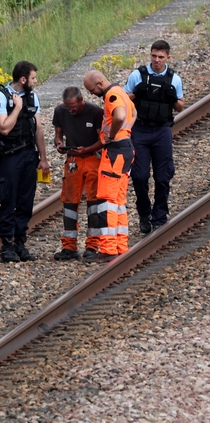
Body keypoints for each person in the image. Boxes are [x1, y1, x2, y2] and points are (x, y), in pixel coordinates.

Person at [0, 61, 50, 262]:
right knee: (8, 199)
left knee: (25, 201)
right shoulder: (2, 98)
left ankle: (20, 243)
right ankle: (7, 245)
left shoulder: (32, 96)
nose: (36, 81)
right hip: (10, 156)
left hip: (28, 154)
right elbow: (4, 128)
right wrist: (17, 108)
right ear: (23, 79)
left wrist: (43, 158)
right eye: (33, 78)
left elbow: (38, 129)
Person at [124, 40, 185, 234]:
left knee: (163, 176)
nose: (156, 60)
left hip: (161, 131)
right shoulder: (137, 75)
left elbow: (180, 106)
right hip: (140, 130)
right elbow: (123, 101)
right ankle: (144, 214)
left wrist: (172, 98)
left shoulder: (174, 78)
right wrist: (136, 93)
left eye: (160, 57)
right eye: (153, 56)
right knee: (139, 176)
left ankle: (159, 215)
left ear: (167, 57)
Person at [83, 70, 136, 262]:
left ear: (99, 83)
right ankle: (121, 245)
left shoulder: (111, 95)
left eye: (91, 90)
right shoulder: (121, 91)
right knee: (119, 201)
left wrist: (112, 135)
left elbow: (120, 115)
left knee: (107, 201)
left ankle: (107, 248)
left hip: (115, 151)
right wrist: (125, 132)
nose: (91, 94)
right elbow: (133, 112)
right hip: (126, 148)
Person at [52, 87, 104, 260]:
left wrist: (87, 149)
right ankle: (69, 246)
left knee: (94, 202)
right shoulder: (60, 111)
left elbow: (103, 140)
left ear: (82, 100)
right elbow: (58, 134)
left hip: (92, 159)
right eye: (68, 107)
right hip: (73, 160)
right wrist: (59, 143)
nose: (71, 110)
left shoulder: (96, 112)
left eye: (74, 106)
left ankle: (92, 245)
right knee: (69, 202)